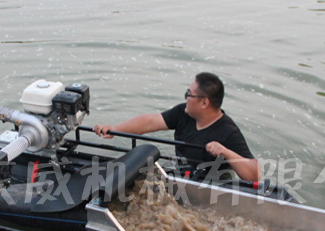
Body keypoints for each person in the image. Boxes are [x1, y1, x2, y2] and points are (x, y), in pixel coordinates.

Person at [92, 72, 261, 182]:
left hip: (212, 186)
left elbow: (254, 175)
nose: (186, 97)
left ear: (204, 103)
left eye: (189, 94)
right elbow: (150, 122)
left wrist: (226, 152)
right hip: (181, 176)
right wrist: (115, 129)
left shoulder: (228, 132)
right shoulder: (183, 113)